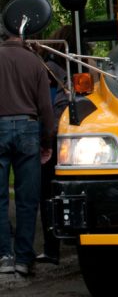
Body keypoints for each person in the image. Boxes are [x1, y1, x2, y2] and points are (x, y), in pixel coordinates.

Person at [0, 27, 55, 277]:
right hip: (28, 128)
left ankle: (4, 256)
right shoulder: (34, 61)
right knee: (27, 198)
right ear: (21, 35)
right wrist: (47, 141)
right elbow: (45, 106)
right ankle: (23, 258)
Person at [36, 25, 75, 266]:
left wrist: (45, 139)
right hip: (78, 138)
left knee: (47, 193)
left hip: (55, 136)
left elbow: (46, 108)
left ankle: (52, 248)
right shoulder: (82, 66)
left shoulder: (48, 68)